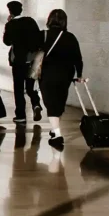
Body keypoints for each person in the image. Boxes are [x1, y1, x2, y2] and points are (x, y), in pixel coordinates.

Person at [38, 9, 85, 147]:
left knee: (50, 104)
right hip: (65, 76)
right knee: (58, 103)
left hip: (47, 75)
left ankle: (57, 136)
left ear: (49, 20)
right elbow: (78, 59)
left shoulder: (43, 35)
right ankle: (54, 129)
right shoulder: (70, 37)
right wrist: (79, 74)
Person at [2, 1, 43, 124]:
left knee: (18, 88)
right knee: (30, 86)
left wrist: (8, 23)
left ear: (10, 12)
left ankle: (21, 115)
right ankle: (36, 104)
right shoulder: (30, 21)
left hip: (18, 61)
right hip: (31, 59)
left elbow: (7, 41)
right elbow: (38, 38)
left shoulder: (11, 24)